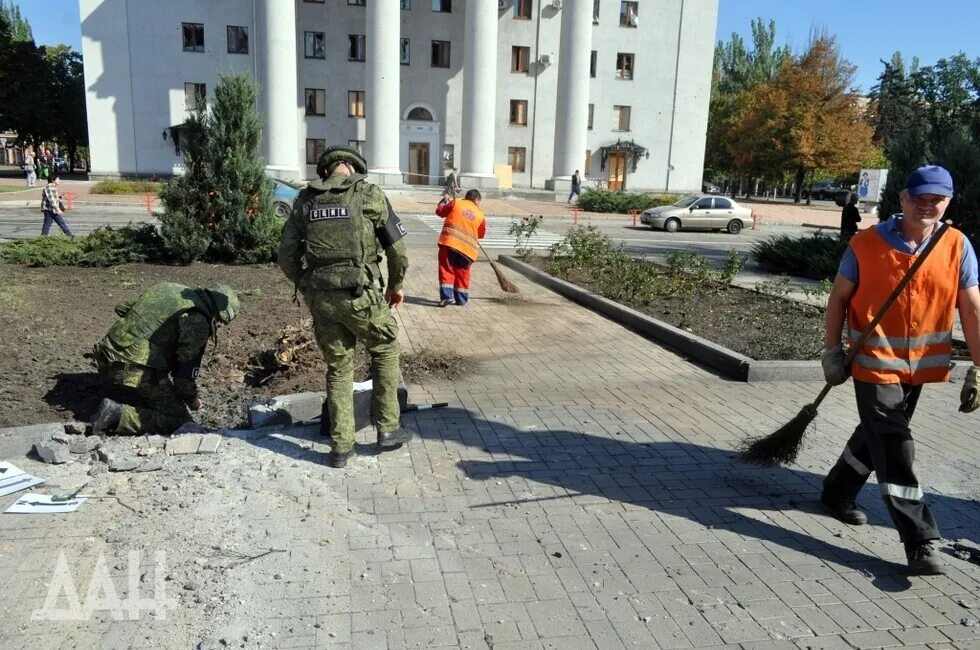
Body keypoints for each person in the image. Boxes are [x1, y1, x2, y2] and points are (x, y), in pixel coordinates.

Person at [820, 165, 980, 576]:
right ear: (903, 199)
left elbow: (973, 309)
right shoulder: (865, 244)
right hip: (872, 366)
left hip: (918, 370)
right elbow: (838, 298)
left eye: (937, 199)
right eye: (919, 198)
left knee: (876, 436)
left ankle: (837, 491)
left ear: (947, 202)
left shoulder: (957, 245)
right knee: (895, 445)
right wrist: (831, 350)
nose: (927, 205)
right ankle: (919, 538)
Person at [278, 145, 412, 468]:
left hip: (323, 300)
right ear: (353, 168)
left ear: (326, 171)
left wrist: (308, 285)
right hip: (360, 296)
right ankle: (388, 428)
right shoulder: (369, 195)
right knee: (386, 346)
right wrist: (396, 286)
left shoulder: (306, 201)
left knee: (339, 367)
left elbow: (285, 256)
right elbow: (398, 250)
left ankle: (340, 448)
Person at [90, 283, 240, 435]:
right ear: (217, 312)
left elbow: (121, 307)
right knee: (179, 420)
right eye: (218, 321)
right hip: (129, 370)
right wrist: (192, 400)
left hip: (103, 356)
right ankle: (116, 416)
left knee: (154, 391)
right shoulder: (197, 320)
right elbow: (183, 379)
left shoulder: (168, 288)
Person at [435, 189, 486, 307]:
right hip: (467, 250)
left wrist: (443, 201)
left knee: (447, 269)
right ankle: (461, 299)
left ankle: (447, 297)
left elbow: (440, 211)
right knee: (463, 273)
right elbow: (481, 234)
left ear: (467, 197)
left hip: (449, 243)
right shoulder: (480, 215)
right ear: (477, 200)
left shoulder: (456, 203)